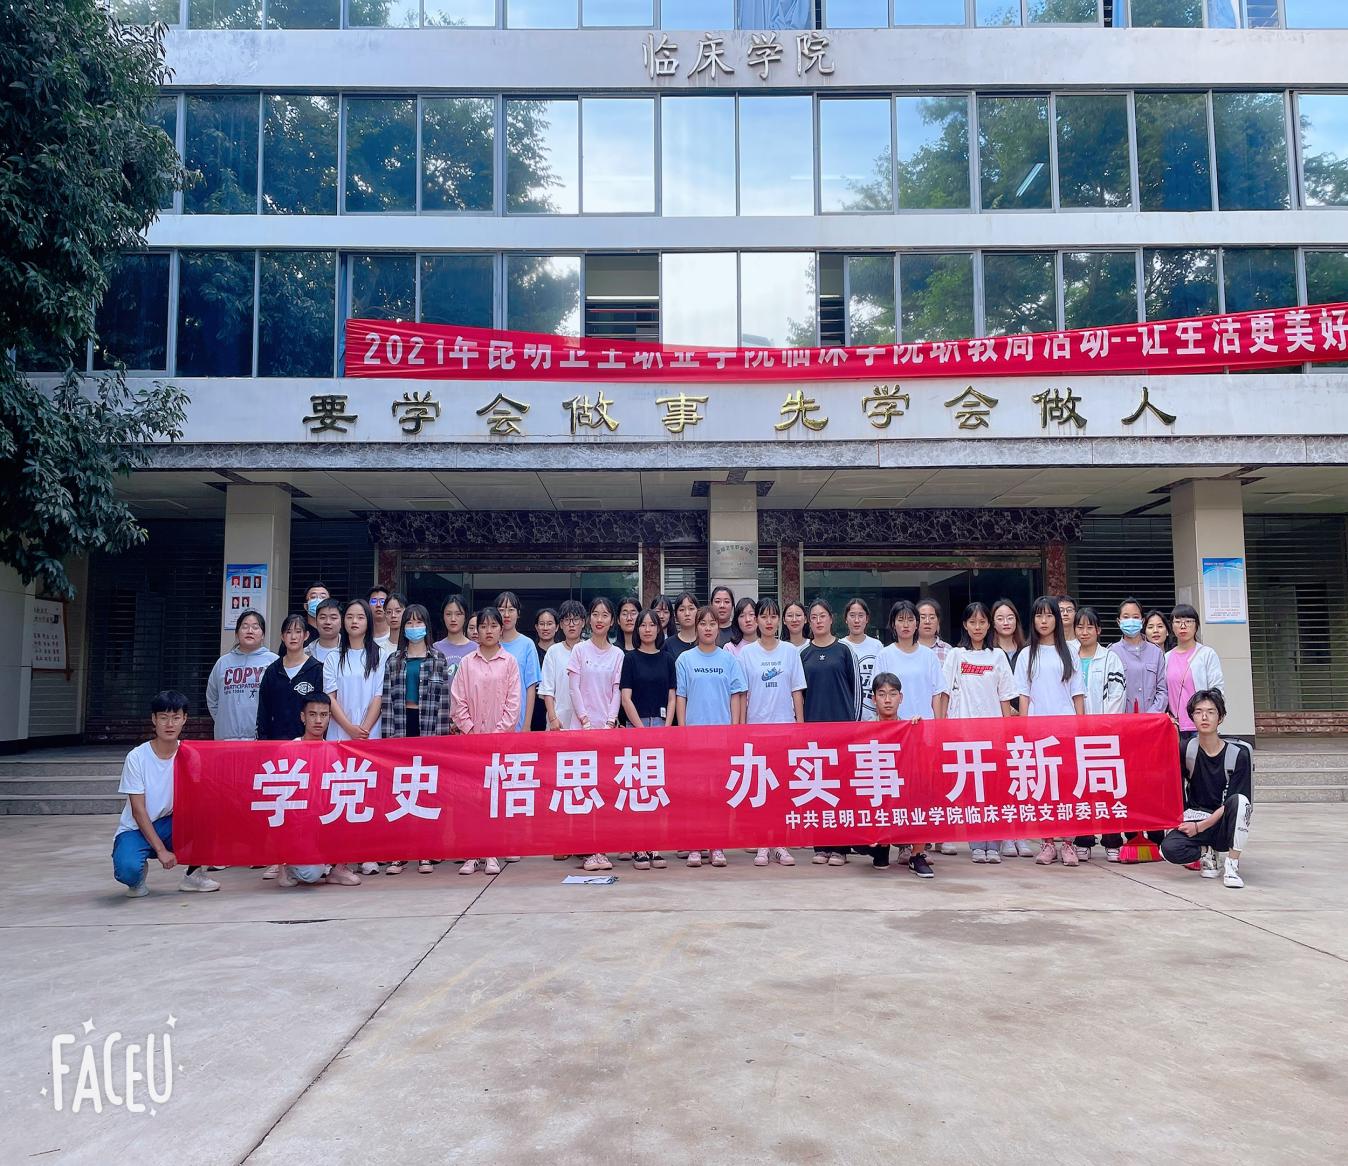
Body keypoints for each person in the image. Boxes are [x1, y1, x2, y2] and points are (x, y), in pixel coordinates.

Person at [112, 690, 220, 896]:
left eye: (176, 718)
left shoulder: (190, 755)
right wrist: (161, 850)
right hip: (136, 828)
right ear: (154, 719)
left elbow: (197, 799)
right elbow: (138, 810)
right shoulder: (137, 757)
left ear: (184, 719)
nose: (170, 724)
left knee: (209, 816)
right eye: (163, 718)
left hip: (171, 823)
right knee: (128, 872)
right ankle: (137, 874)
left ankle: (194, 875)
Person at [1013, 596, 1085, 867]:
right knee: (1043, 788)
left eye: (1049, 615)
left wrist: (1081, 726)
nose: (1044, 621)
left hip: (1066, 729)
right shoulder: (1026, 654)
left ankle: (1068, 843)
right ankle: (1047, 842)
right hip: (1037, 731)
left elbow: (1078, 693)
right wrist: (1024, 729)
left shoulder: (1069, 652)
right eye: (1038, 616)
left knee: (1068, 787)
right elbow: (1023, 695)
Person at [380, 603, 452, 875]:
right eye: (409, 623)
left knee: (426, 791)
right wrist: (388, 742)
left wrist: (440, 742)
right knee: (401, 791)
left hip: (429, 729)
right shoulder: (394, 660)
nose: (413, 627)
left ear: (427, 627)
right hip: (401, 726)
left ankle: (426, 852)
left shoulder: (438, 659)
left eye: (418, 622)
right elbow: (387, 701)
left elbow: (444, 703)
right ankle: (399, 853)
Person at [943, 602, 1017, 864]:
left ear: (989, 625)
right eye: (972, 622)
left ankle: (993, 844)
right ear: (965, 625)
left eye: (982, 622)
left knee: (994, 790)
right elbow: (944, 692)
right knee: (972, 790)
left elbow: (1005, 697)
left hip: (993, 734)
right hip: (964, 734)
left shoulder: (997, 657)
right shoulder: (956, 655)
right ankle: (976, 844)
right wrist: (943, 727)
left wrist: (1007, 732)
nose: (977, 627)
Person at [675, 605, 747, 869]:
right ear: (696, 627)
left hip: (721, 738)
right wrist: (683, 731)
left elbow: (736, 696)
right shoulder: (684, 659)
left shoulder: (728, 660)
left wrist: (734, 730)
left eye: (712, 623)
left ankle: (717, 845)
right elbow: (681, 696)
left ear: (719, 627)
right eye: (703, 623)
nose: (708, 628)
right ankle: (695, 845)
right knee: (695, 794)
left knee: (718, 794)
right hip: (694, 737)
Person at [450, 606, 521, 876]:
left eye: (493, 626)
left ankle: (492, 851)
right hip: (471, 742)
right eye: (483, 626)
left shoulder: (509, 662)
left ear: (501, 629)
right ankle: (472, 853)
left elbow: (513, 704)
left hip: (501, 743)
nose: (488, 631)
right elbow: (458, 701)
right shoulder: (467, 663)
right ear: (476, 631)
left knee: (496, 798)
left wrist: (497, 736)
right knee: (472, 799)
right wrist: (471, 732)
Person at [1160, 689, 1252, 889]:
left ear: (1221, 717)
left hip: (1223, 823)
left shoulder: (1239, 755)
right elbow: (1170, 782)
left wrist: (1199, 827)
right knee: (1168, 849)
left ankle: (1232, 865)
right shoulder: (1186, 749)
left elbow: (1237, 803)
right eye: (1198, 712)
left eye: (1211, 712)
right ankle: (1206, 852)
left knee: (1240, 801)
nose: (1204, 717)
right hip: (1196, 816)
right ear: (1191, 717)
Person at [738, 597, 802, 869]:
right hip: (756, 731)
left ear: (779, 621)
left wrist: (800, 727)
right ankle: (762, 843)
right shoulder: (747, 654)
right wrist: (741, 729)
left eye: (773, 616)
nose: (768, 621)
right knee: (760, 789)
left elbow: (796, 691)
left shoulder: (790, 652)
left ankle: (780, 843)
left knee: (781, 789)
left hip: (784, 729)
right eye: (763, 616)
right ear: (756, 620)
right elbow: (742, 695)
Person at [799, 599, 861, 867]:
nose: (818, 621)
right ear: (809, 622)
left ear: (831, 618)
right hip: (814, 733)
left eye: (822, 616)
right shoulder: (803, 654)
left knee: (841, 789)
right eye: (813, 617)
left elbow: (857, 692)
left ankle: (840, 848)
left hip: (842, 732)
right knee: (817, 788)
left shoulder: (844, 651)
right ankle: (821, 845)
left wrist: (853, 728)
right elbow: (799, 695)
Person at [278, 694, 359, 888]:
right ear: (303, 717)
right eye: (312, 714)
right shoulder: (288, 750)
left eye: (323, 715)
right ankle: (285, 866)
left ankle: (338, 868)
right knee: (311, 874)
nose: (318, 720)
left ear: (330, 717)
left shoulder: (334, 752)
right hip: (299, 825)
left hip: (327, 819)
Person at [568, 597, 624, 873]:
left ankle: (602, 848)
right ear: (589, 619)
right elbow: (574, 688)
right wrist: (585, 721)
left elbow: (616, 690)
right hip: (582, 731)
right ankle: (588, 849)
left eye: (605, 615)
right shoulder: (579, 650)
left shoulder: (618, 655)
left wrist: (610, 722)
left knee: (605, 791)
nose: (599, 619)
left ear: (612, 621)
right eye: (595, 614)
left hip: (607, 731)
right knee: (584, 790)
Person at [1070, 606, 1129, 862]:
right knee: (1080, 787)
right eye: (1080, 627)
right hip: (1074, 734)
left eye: (1089, 627)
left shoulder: (1110, 658)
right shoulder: (1069, 656)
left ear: (1099, 630)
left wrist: (1103, 726)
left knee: (1106, 787)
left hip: (1103, 734)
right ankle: (1083, 839)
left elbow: (1117, 694)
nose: (1084, 632)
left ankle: (1112, 840)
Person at [619, 608, 676, 871]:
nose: (647, 629)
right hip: (636, 727)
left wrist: (666, 727)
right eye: (643, 625)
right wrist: (641, 729)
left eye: (652, 625)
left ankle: (654, 845)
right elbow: (625, 698)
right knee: (638, 788)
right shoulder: (630, 659)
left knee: (657, 789)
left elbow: (672, 696)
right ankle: (638, 846)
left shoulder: (667, 659)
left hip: (662, 728)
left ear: (659, 628)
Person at [867, 672, 935, 878]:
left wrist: (919, 731)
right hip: (876, 790)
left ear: (901, 697)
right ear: (874, 699)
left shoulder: (910, 726)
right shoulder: (864, 729)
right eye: (882, 694)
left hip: (903, 789)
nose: (887, 700)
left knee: (923, 793)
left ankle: (916, 855)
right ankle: (881, 845)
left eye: (893, 694)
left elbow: (924, 761)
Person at [206, 609, 277, 741]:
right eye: (244, 626)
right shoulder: (223, 663)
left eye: (255, 627)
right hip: (226, 739)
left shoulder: (273, 662)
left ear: (262, 635)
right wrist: (224, 721)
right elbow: (212, 698)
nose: (250, 631)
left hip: (260, 739)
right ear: (237, 633)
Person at [1166, 604, 1224, 749]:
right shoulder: (1166, 657)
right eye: (1178, 622)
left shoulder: (1207, 654)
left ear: (1196, 625)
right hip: (1175, 726)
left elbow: (1217, 689)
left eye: (1188, 621)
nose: (1183, 626)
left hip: (1201, 724)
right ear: (1172, 626)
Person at [495, 591, 540, 732]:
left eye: (511, 610)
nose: (506, 615)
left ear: (518, 613)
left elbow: (530, 687)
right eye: (501, 610)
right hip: (492, 720)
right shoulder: (490, 644)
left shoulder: (527, 644)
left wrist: (527, 724)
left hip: (518, 721)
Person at [540, 599, 586, 732]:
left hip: (586, 721)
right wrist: (552, 718)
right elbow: (547, 689)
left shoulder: (589, 649)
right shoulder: (553, 651)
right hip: (558, 721)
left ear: (583, 622)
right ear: (560, 624)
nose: (571, 625)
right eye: (566, 620)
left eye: (575, 620)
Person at [842, 597, 883, 721]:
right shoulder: (840, 646)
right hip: (847, 717)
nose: (856, 620)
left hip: (874, 718)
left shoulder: (877, 646)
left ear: (867, 619)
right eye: (852, 615)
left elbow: (883, 682)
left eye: (861, 615)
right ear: (846, 619)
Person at [432, 595, 476, 693]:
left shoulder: (476, 649)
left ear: (465, 617)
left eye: (458, 614)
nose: (453, 619)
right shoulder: (435, 648)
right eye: (448, 614)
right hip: (442, 702)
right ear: (443, 617)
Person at [531, 607, 559, 731]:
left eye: (549, 624)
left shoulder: (561, 651)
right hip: (534, 709)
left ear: (557, 627)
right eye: (542, 624)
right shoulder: (531, 651)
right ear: (536, 627)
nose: (545, 628)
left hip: (557, 709)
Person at [665, 590, 700, 660]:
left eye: (691, 609)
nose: (687, 613)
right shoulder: (667, 644)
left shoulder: (705, 641)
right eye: (682, 609)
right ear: (676, 615)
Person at [307, 597, 343, 666]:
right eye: (323, 618)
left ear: (342, 621)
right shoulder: (305, 653)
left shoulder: (350, 650)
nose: (328, 622)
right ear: (316, 621)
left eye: (333, 618)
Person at [990, 598, 1026, 666]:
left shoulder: (1026, 650)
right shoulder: (988, 651)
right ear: (993, 623)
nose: (1006, 623)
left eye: (1010, 618)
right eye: (1000, 619)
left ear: (1016, 621)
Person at [916, 598, 952, 665]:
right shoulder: (908, 648)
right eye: (923, 617)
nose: (927, 621)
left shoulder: (948, 650)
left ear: (938, 621)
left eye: (932, 617)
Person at [381, 592, 407, 659]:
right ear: (385, 614)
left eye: (398, 611)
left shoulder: (412, 646)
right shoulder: (380, 648)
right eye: (389, 612)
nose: (393, 615)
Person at [368, 584, 392, 651]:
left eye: (382, 601)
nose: (378, 605)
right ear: (368, 605)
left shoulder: (395, 635)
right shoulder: (363, 635)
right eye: (374, 601)